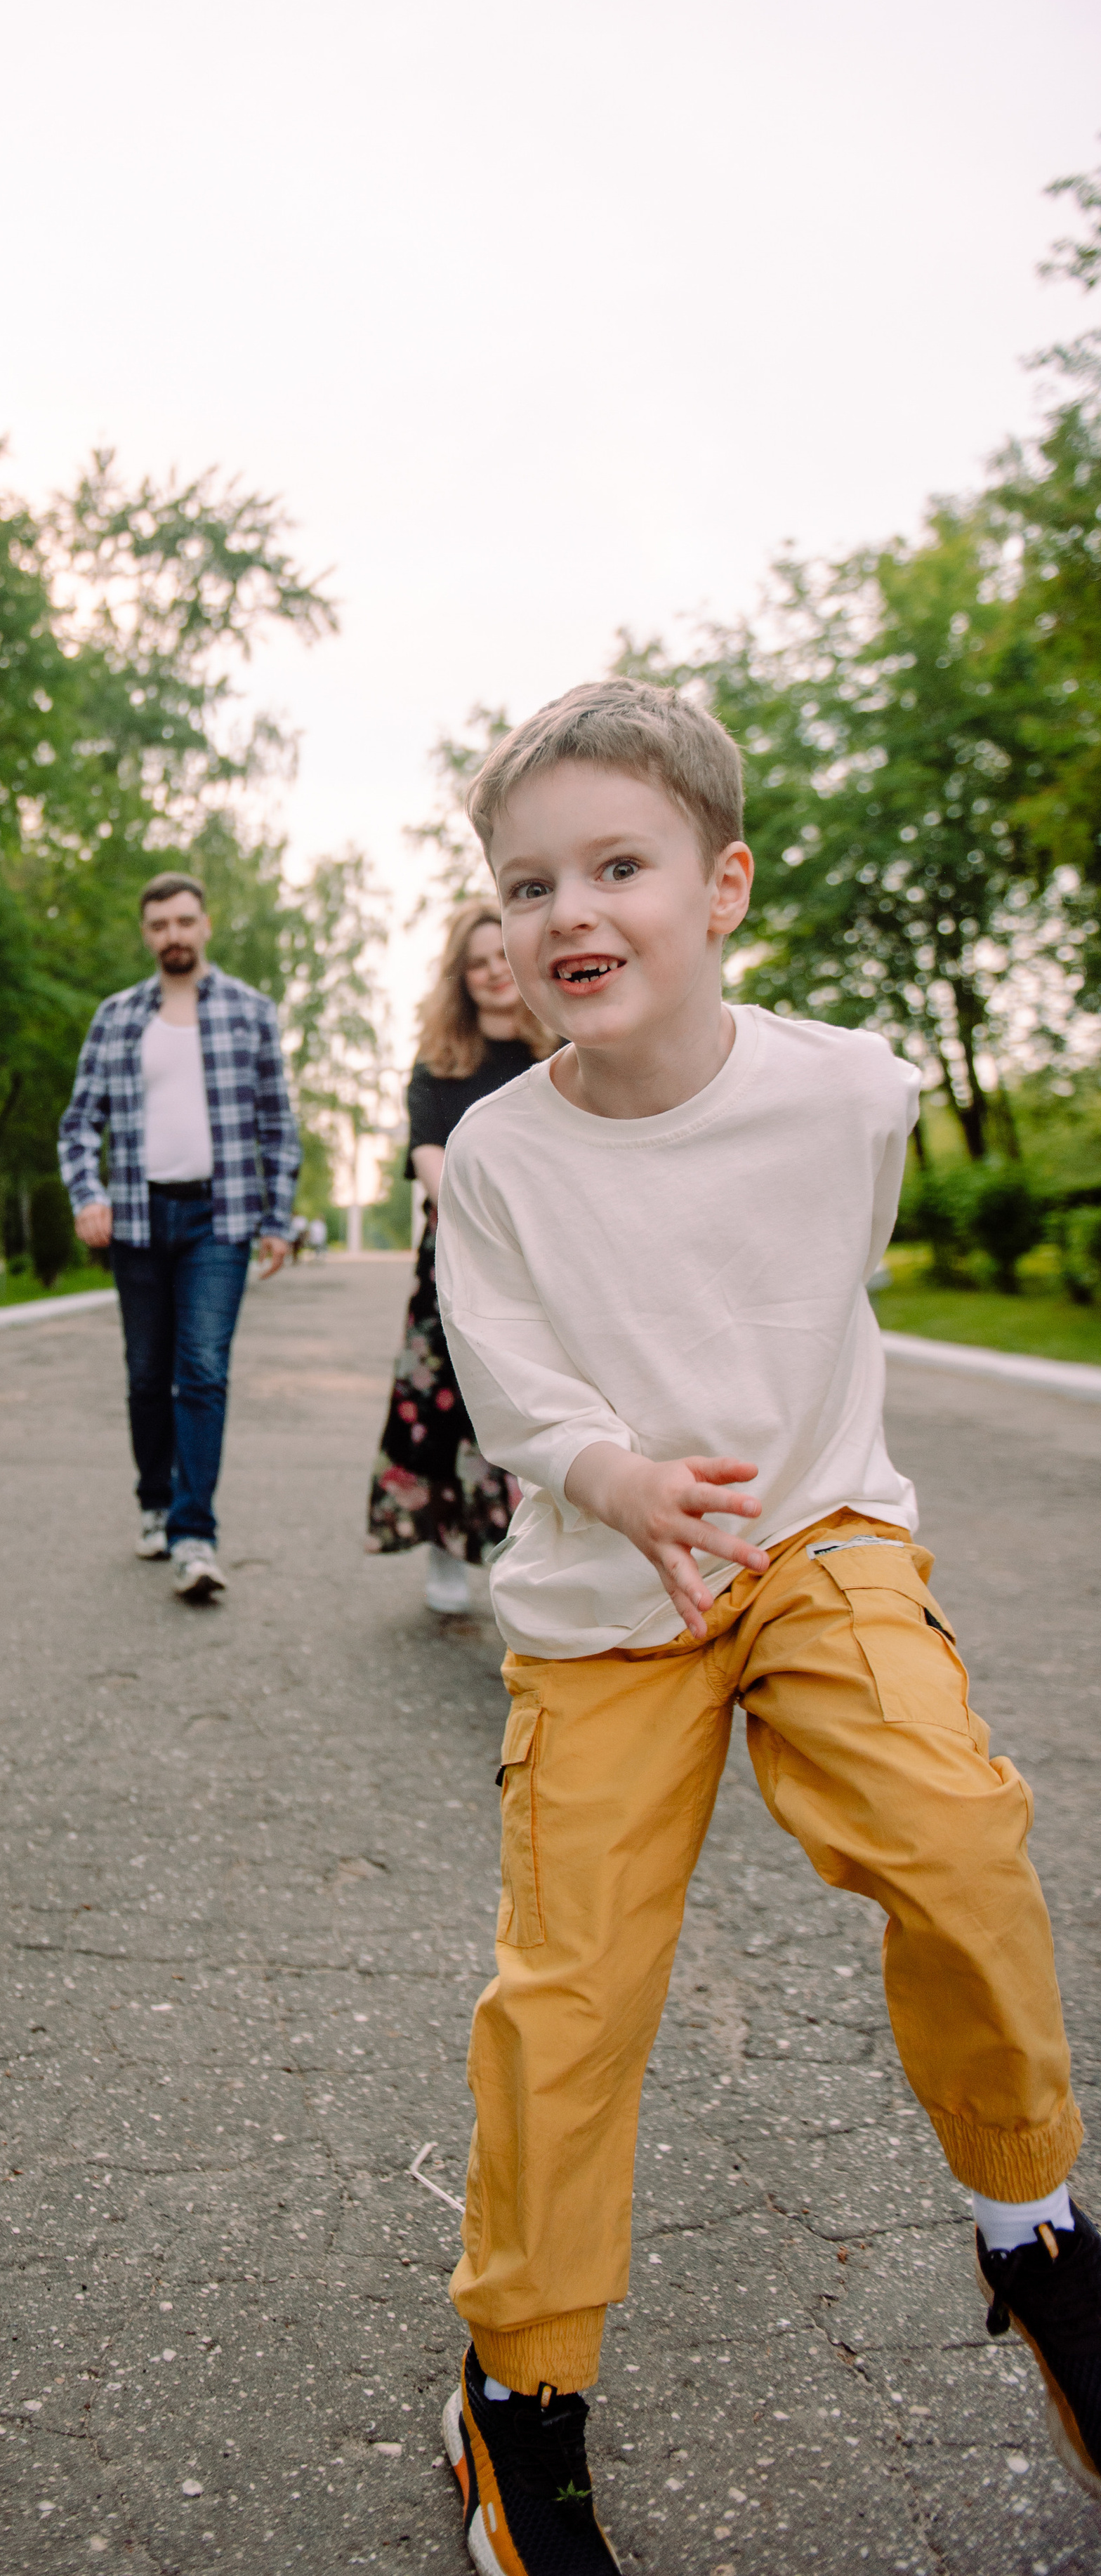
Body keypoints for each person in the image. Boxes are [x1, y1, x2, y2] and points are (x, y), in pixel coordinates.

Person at [429, 681, 1096, 2574]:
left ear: (719, 887)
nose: (566, 911)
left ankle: (1034, 2229)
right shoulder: (499, 1159)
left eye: (614, 866)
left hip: (812, 1537)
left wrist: (759, 1471)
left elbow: (823, 1280)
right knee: (572, 1994)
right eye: (527, 884)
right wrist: (617, 1475)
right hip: (606, 1595)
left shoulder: (852, 1091)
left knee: (953, 1832)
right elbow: (508, 1376)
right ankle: (518, 2392)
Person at [58, 871, 301, 1603]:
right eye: (160, 924)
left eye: (185, 921)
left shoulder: (249, 1013)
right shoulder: (116, 1017)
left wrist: (277, 1219)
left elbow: (277, 1124)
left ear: (205, 926)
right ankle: (155, 1503)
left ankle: (196, 1536)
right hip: (136, 1219)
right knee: (145, 1374)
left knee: (201, 1370)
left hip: (219, 1221)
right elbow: (79, 1124)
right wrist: (88, 1195)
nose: (174, 935)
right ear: (147, 934)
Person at [366, 897, 556, 1616]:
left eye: (501, 956)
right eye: (475, 964)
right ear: (459, 977)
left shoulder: (565, 1051)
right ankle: (445, 1547)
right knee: (444, 1406)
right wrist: (479, 1222)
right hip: (456, 1257)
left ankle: (541, 1557)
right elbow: (427, 1155)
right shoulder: (438, 1065)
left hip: (552, 1260)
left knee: (539, 1404)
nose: (492, 973)